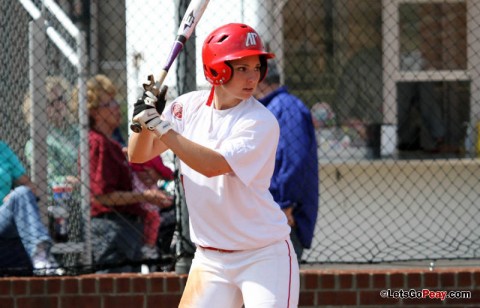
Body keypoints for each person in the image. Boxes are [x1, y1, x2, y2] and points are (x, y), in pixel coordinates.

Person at [129, 23, 299, 307]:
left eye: (256, 68)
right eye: (242, 68)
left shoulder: (260, 121)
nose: (252, 77)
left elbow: (211, 164)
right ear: (216, 69)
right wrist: (144, 119)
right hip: (210, 258)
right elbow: (137, 155)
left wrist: (158, 125)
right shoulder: (188, 107)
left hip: (263, 256)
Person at [82, 74, 172, 273]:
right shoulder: (97, 143)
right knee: (113, 289)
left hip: (125, 228)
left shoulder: (113, 142)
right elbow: (102, 195)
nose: (116, 107)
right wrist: (145, 196)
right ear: (95, 112)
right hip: (110, 228)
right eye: (109, 103)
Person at [254, 60, 319, 262]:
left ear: (260, 78)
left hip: (283, 217)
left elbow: (295, 161)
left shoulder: (286, 107)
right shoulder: (270, 107)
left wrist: (286, 204)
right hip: (271, 215)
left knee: (277, 288)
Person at [0, 141, 64, 276]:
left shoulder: (2, 148)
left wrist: (13, 196)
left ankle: (40, 255)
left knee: (22, 192)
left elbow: (29, 186)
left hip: (3, 217)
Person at [23, 76, 79, 187]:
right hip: (60, 199)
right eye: (50, 102)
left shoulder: (78, 130)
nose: (58, 105)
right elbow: (49, 179)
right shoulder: (37, 141)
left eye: (60, 98)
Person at [130, 155, 174, 261]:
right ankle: (148, 247)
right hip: (136, 213)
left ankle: (150, 247)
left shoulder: (155, 184)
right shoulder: (134, 179)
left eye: (151, 171)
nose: (147, 175)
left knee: (155, 218)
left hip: (151, 213)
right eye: (143, 171)